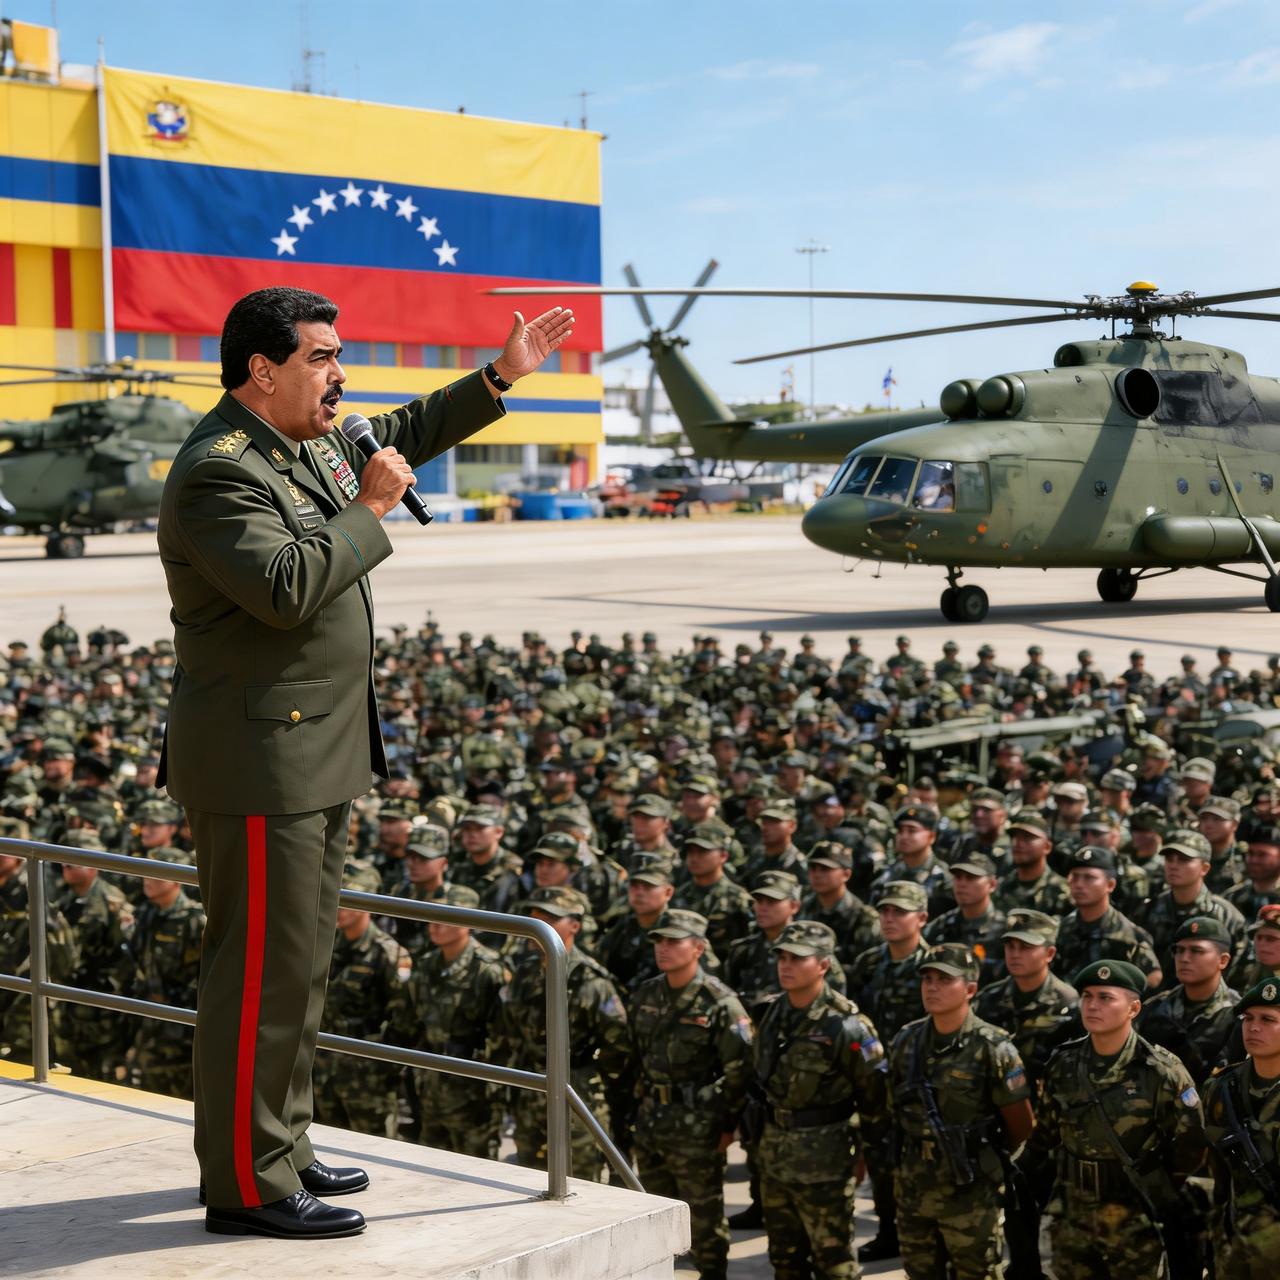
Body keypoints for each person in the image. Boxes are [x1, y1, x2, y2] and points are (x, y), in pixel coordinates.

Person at [156, 285, 572, 1237]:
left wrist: (499, 376)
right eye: (321, 357)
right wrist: (374, 507)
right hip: (261, 762)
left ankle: (280, 1145)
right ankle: (247, 1186)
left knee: (299, 970)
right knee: (257, 976)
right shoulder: (218, 472)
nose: (339, 375)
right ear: (263, 371)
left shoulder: (305, 440)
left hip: (314, 751)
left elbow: (405, 429)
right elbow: (284, 587)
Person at [1026, 960, 1206, 1280]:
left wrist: (1156, 1183)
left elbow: (1191, 1144)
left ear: (1133, 1008)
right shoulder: (1063, 1064)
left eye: (1105, 998)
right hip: (1073, 1217)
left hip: (1135, 1220)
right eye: (1087, 996)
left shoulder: (1160, 1071)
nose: (1092, 1005)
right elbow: (1046, 1134)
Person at [750, 920, 889, 1279]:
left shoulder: (846, 1025)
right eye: (782, 957)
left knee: (834, 1263)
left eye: (797, 958)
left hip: (826, 1162)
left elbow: (874, 1099)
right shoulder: (773, 1013)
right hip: (775, 1157)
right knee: (784, 1261)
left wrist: (865, 1156)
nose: (786, 965)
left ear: (823, 964)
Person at [887, 943, 1034, 1280]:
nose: (932, 987)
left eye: (944, 979)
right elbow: (891, 1108)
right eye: (927, 979)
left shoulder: (993, 1047)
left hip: (970, 1193)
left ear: (969, 989)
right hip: (914, 1188)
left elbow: (1021, 1125)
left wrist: (981, 1154)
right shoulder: (906, 1041)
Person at [630, 909, 752, 1280]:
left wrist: (727, 1125)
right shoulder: (647, 993)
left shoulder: (719, 1002)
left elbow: (740, 1071)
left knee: (703, 1217)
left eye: (673, 941)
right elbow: (634, 1056)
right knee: (652, 1212)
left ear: (698, 948)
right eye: (659, 941)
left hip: (697, 1127)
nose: (663, 948)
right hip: (651, 1121)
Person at [386, 883, 506, 1158]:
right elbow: (410, 1023)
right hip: (431, 1087)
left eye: (446, 917)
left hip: (473, 1092)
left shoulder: (488, 970)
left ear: (468, 922)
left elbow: (502, 1037)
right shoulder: (427, 965)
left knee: (477, 1166)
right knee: (431, 1164)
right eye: (433, 916)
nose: (435, 924)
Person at [312, 862, 410, 1139]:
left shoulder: (387, 953)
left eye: (348, 901)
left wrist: (383, 1067)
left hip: (368, 1075)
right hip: (325, 1068)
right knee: (326, 1142)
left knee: (374, 1146)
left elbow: (403, 1020)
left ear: (366, 903)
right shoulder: (326, 943)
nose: (339, 907)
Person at [1202, 977, 1280, 1277]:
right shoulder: (1222, 1088)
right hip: (1236, 1248)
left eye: (1267, 1020)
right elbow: (1219, 1175)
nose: (1253, 1027)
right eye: (1248, 1018)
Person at [127, 846, 204, 1098]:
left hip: (182, 1026)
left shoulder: (194, 920)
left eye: (156, 875)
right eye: (146, 874)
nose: (147, 880)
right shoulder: (145, 913)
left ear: (177, 880)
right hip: (150, 1018)